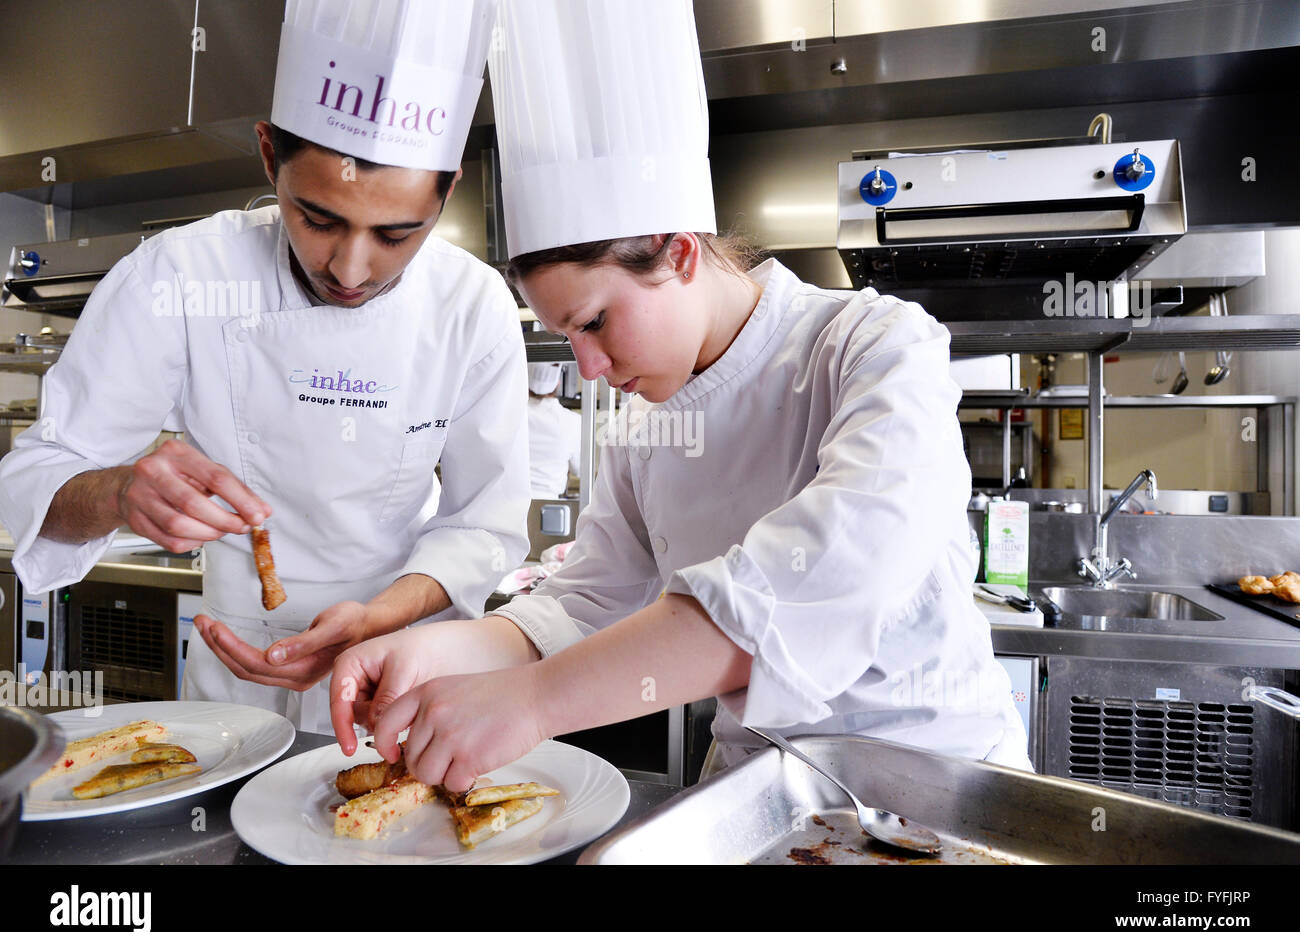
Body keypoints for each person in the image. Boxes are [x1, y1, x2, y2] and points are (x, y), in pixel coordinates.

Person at [329, 0, 1032, 787]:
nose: (588, 368)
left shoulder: (873, 349)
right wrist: (431, 650)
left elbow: (831, 570)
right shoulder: (644, 429)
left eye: (595, 321)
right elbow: (579, 604)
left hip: (940, 794)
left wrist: (531, 704)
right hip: (758, 796)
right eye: (569, 337)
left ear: (680, 253)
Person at [0, 0, 529, 734]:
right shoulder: (181, 275)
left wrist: (380, 614)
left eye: (397, 233)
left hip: (395, 673)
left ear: (447, 189)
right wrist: (121, 493)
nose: (350, 268)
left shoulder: (474, 307)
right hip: (231, 681)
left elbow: (486, 524)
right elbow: (29, 480)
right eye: (319, 218)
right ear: (266, 154)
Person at [525, 362, 581, 498]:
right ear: (558, 383)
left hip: (510, 501)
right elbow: (580, 469)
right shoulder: (572, 420)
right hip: (549, 503)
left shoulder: (512, 414)